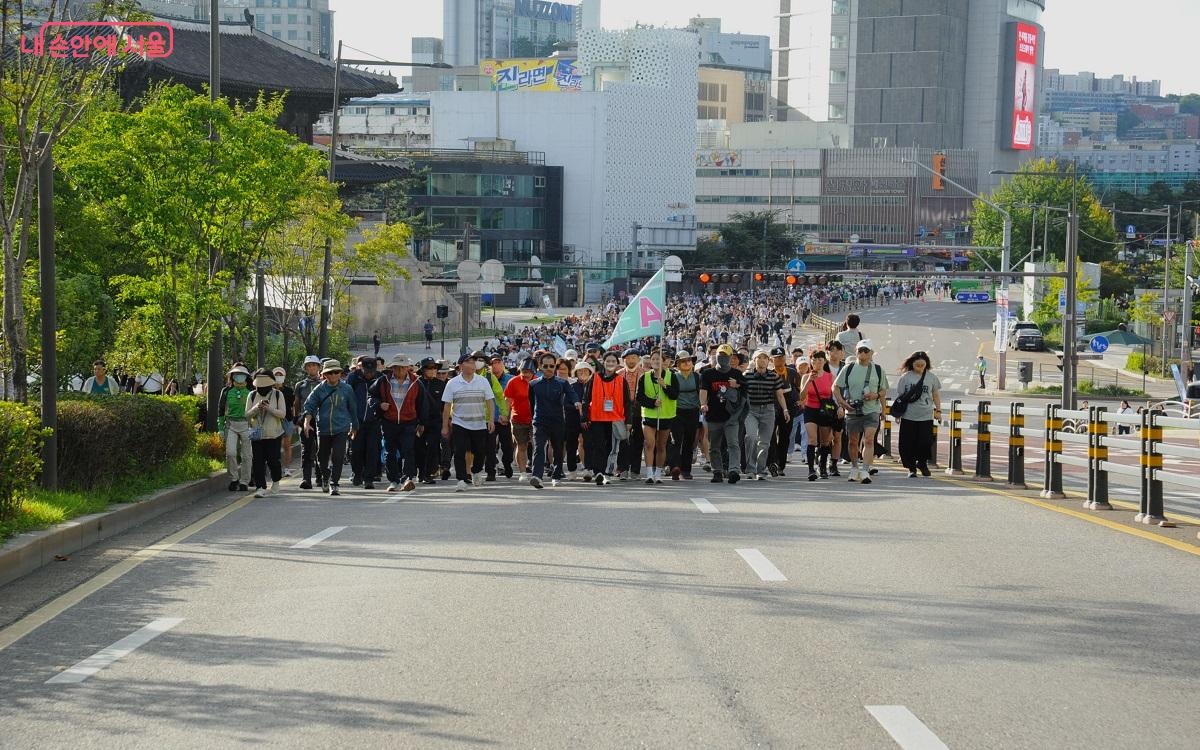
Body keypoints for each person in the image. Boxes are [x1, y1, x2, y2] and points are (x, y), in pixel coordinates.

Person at [369, 354, 428, 493]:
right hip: (389, 421)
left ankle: (408, 478)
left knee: (408, 450)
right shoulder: (383, 381)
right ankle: (393, 481)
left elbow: (423, 404)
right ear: (392, 368)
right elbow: (371, 395)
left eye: (403, 367)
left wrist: (422, 423)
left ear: (408, 368)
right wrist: (379, 404)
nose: (400, 370)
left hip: (409, 421)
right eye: (397, 367)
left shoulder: (416, 382)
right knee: (390, 452)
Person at [834, 340, 888, 484]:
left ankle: (865, 469)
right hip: (852, 411)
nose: (862, 353)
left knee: (869, 440)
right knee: (853, 442)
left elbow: (883, 390)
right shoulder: (848, 368)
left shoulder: (877, 369)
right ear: (856, 351)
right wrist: (842, 402)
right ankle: (854, 467)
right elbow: (836, 387)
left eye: (866, 350)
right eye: (860, 350)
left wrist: (878, 401)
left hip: (872, 410)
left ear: (871, 353)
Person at [302, 359, 359, 496]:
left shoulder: (347, 389)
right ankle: (325, 477)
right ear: (324, 375)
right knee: (321, 458)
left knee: (338, 456)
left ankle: (335, 483)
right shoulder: (319, 389)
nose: (333, 375)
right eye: (330, 373)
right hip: (324, 428)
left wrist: (355, 427)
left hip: (342, 428)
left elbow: (353, 409)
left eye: (336, 372)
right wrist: (306, 423)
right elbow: (309, 406)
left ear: (340, 373)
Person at [441, 353, 496, 492]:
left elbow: (490, 401)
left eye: (473, 362)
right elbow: (447, 406)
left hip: (479, 422)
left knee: (480, 451)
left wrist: (490, 420)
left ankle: (476, 471)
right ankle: (461, 479)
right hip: (460, 422)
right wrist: (444, 426)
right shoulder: (452, 383)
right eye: (469, 362)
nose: (472, 364)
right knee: (459, 451)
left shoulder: (482, 381)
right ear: (460, 366)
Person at [527, 353, 581, 489]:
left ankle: (556, 475)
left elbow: (572, 394)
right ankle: (537, 476)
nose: (549, 368)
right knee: (539, 448)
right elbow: (531, 402)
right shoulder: (533, 384)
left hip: (557, 421)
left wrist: (576, 402)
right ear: (540, 366)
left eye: (552, 366)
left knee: (558, 449)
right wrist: (534, 418)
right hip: (539, 421)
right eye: (546, 366)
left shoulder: (562, 383)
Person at [580, 350, 630, 485]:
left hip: (614, 419)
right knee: (599, 446)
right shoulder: (594, 378)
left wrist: (628, 421)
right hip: (597, 418)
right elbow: (585, 399)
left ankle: (605, 472)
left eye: (613, 361)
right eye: (608, 361)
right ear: (604, 362)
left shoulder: (621, 380)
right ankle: (599, 473)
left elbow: (627, 402)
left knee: (611, 448)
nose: (610, 363)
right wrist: (584, 417)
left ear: (617, 363)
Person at [699, 343, 746, 484]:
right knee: (715, 446)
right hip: (713, 415)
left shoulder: (737, 374)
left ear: (731, 357)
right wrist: (703, 404)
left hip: (732, 416)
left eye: (726, 356)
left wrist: (737, 385)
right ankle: (717, 471)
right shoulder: (708, 374)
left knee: (733, 444)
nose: (722, 358)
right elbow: (703, 391)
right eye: (720, 355)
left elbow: (745, 391)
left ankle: (733, 470)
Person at [894, 351, 942, 478]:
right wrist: (898, 414)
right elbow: (901, 396)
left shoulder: (931, 378)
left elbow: (936, 395)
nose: (920, 368)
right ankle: (911, 468)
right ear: (912, 364)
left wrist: (938, 410)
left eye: (922, 365)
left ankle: (922, 463)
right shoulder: (905, 377)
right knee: (907, 443)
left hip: (926, 415)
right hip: (909, 415)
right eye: (917, 365)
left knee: (925, 442)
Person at [742, 349, 788, 481]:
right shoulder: (747, 375)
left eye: (765, 358)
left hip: (768, 410)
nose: (762, 360)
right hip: (751, 410)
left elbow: (779, 394)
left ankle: (760, 470)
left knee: (765, 443)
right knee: (751, 437)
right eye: (759, 358)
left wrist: (785, 409)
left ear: (768, 361)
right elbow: (742, 392)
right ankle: (750, 468)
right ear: (754, 360)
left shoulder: (773, 376)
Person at [636, 348, 679, 484]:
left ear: (663, 361)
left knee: (661, 446)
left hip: (666, 416)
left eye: (658, 359)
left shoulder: (671, 376)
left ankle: (658, 473)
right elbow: (640, 397)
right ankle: (649, 473)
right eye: (653, 359)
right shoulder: (644, 377)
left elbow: (675, 394)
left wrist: (664, 385)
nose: (655, 361)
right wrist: (653, 402)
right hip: (649, 415)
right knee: (649, 444)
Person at [247, 369, 287, 497]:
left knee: (273, 460)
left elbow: (282, 413)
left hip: (273, 434)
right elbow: (247, 414)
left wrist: (269, 408)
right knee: (258, 461)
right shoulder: (252, 395)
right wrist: (256, 408)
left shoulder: (277, 394)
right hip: (256, 433)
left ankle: (275, 481)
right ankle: (260, 487)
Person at [346, 355, 383, 489]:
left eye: (371, 371)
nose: (369, 374)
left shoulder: (380, 378)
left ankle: (369, 478)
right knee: (356, 450)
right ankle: (357, 474)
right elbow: (347, 398)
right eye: (366, 372)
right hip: (357, 420)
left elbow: (383, 396)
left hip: (374, 421)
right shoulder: (353, 377)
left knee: (372, 450)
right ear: (361, 368)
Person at [801, 350, 836, 481]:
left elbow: (835, 395)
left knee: (825, 441)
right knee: (812, 439)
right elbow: (802, 397)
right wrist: (808, 381)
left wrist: (838, 409)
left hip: (825, 411)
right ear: (811, 362)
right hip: (811, 409)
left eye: (820, 359)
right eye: (814, 360)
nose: (817, 362)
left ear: (825, 361)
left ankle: (822, 467)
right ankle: (811, 469)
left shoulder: (830, 376)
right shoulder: (806, 377)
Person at [218, 364, 253, 492]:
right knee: (231, 453)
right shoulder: (226, 391)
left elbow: (255, 412)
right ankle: (234, 478)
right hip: (231, 425)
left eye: (242, 375)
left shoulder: (251, 392)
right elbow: (221, 411)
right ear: (232, 376)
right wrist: (220, 428)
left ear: (246, 377)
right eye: (237, 374)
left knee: (247, 456)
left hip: (246, 425)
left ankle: (245, 481)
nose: (239, 377)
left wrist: (254, 427)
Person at [669, 351, 701, 480]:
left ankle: (686, 470)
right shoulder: (673, 377)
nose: (687, 363)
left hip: (693, 411)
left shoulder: (697, 377)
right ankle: (675, 467)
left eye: (689, 360)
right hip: (677, 411)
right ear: (678, 364)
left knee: (689, 440)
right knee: (676, 440)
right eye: (683, 361)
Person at [293, 356, 323, 490]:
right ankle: (306, 478)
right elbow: (297, 403)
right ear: (305, 368)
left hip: (321, 420)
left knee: (321, 449)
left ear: (318, 367)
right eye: (309, 366)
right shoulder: (300, 385)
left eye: (314, 365)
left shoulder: (324, 383)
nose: (312, 368)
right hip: (305, 421)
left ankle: (320, 476)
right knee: (306, 449)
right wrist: (297, 420)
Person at [484, 355, 515, 480]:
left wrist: (508, 415)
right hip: (489, 418)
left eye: (498, 362)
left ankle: (507, 465)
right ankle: (490, 471)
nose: (495, 365)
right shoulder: (485, 379)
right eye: (493, 363)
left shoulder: (510, 379)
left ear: (503, 364)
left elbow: (513, 399)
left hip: (505, 419)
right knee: (490, 447)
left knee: (507, 446)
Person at [504, 359, 536, 480]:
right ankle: (523, 472)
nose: (526, 374)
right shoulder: (513, 382)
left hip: (535, 419)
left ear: (534, 372)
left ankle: (537, 470)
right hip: (518, 419)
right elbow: (508, 400)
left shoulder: (538, 382)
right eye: (524, 371)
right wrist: (505, 415)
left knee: (537, 445)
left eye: (529, 371)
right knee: (521, 445)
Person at [616, 348, 645, 480]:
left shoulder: (646, 374)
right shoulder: (618, 374)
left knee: (638, 440)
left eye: (634, 357)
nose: (631, 360)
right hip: (622, 411)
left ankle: (635, 470)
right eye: (629, 358)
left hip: (640, 410)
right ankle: (622, 469)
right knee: (623, 440)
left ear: (639, 359)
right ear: (624, 360)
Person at [415, 357, 446, 484]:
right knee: (419, 447)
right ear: (422, 370)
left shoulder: (441, 384)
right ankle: (420, 472)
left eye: (434, 367)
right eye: (429, 367)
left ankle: (428, 473)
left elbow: (444, 405)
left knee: (433, 446)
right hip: (418, 421)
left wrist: (445, 422)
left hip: (434, 421)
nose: (433, 370)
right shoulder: (416, 383)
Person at [272, 367, 295, 477]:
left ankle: (287, 468)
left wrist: (294, 421)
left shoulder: (289, 391)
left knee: (287, 445)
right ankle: (275, 468)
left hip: (287, 420)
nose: (278, 376)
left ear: (284, 376)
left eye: (280, 374)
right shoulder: (270, 391)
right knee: (274, 446)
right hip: (273, 420)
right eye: (276, 374)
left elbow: (293, 406)